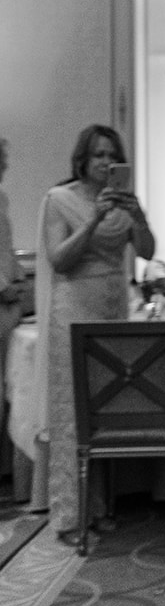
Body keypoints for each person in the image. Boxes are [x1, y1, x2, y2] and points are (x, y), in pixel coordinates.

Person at [36, 124, 156, 541]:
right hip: (74, 308)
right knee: (73, 411)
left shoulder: (124, 203)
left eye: (111, 155)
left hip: (114, 306)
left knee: (108, 406)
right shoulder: (60, 199)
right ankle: (71, 514)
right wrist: (93, 220)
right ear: (82, 160)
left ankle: (103, 503)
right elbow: (59, 260)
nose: (105, 162)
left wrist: (137, 217)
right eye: (98, 155)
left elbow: (147, 252)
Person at [0, 139, 33, 497]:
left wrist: (19, 275)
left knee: (8, 388)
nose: (6, 165)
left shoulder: (2, 198)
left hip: (8, 300)